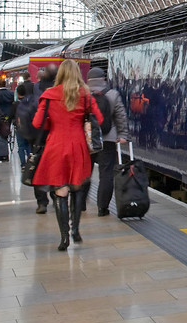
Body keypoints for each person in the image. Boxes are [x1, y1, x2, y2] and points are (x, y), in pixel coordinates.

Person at [32, 59, 102, 250]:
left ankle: (64, 238)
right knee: (77, 188)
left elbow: (38, 123)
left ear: (59, 74)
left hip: (55, 146)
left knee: (60, 191)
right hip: (78, 145)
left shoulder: (49, 95)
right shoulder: (86, 95)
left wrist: (52, 123)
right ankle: (76, 229)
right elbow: (100, 119)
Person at [86, 67, 130, 217]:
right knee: (106, 174)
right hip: (107, 140)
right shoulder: (112, 94)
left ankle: (80, 205)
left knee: (85, 172)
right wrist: (123, 134)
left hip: (86, 140)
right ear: (103, 79)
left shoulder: (81, 95)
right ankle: (102, 208)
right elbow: (121, 116)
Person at [30, 63, 59, 213]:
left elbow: (33, 118)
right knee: (55, 169)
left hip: (38, 136)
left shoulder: (35, 89)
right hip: (55, 137)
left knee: (38, 169)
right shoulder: (61, 91)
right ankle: (57, 197)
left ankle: (42, 202)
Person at [14, 82, 32, 168]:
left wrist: (7, 120)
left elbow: (10, 115)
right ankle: (30, 162)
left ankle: (23, 164)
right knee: (28, 145)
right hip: (28, 127)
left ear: (17, 93)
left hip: (19, 128)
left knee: (20, 146)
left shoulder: (15, 104)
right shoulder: (29, 103)